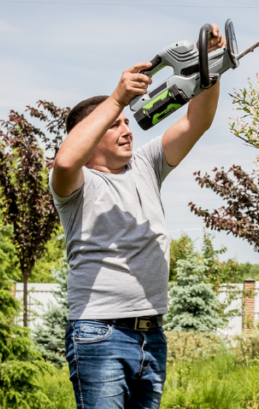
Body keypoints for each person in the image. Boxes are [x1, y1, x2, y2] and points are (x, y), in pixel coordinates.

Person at [49, 24, 225, 409]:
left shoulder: (146, 164)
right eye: (114, 125)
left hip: (151, 333)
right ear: (91, 137)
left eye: (126, 121)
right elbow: (65, 158)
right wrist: (116, 98)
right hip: (100, 333)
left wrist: (210, 69)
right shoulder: (76, 187)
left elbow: (198, 122)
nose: (126, 129)